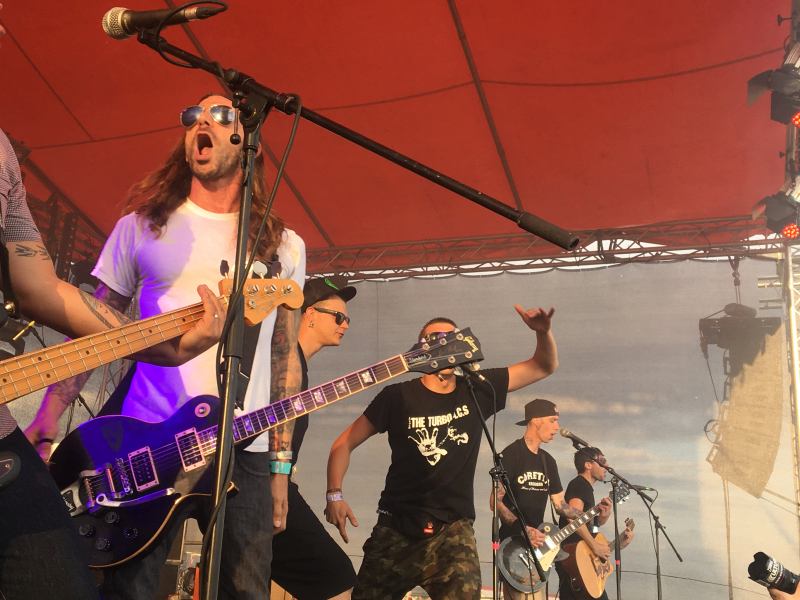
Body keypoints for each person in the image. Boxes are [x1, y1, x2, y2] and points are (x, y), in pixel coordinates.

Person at [27, 94, 305, 600]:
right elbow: (95, 331)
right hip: (147, 439)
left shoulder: (282, 245)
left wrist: (281, 466)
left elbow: (284, 356)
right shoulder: (141, 226)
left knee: (246, 590)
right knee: (131, 589)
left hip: (243, 443)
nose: (202, 123)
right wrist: (50, 413)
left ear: (248, 142)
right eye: (192, 117)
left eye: (221, 115)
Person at [326, 305, 558, 600]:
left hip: (453, 531)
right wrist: (334, 495)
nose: (445, 344)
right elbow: (343, 444)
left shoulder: (477, 388)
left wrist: (543, 333)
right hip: (397, 526)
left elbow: (543, 366)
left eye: (452, 338)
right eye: (435, 338)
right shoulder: (397, 396)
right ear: (420, 348)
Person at [271, 275, 358, 600]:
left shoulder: (297, 366)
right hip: (264, 483)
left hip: (269, 484)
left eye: (347, 319)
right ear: (308, 314)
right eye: (338, 317)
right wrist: (278, 478)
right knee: (336, 578)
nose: (345, 325)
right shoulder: (282, 359)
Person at [491, 400, 610, 600]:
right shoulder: (511, 455)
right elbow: (495, 501)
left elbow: (561, 506)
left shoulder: (548, 461)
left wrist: (594, 513)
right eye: (553, 420)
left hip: (540, 548)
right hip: (515, 546)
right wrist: (524, 529)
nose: (557, 427)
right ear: (536, 420)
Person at [555, 446, 632, 600]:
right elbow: (572, 518)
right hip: (576, 559)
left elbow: (590, 527)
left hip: (583, 560)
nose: (607, 466)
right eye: (602, 461)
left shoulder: (586, 489)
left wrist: (605, 517)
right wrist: (595, 546)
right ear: (588, 465)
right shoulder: (580, 485)